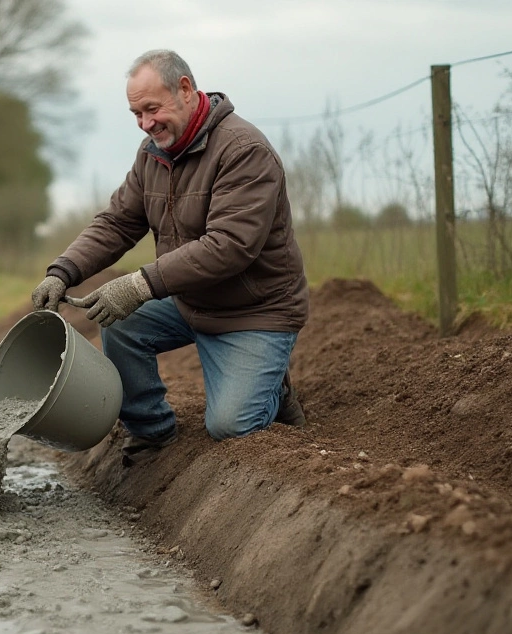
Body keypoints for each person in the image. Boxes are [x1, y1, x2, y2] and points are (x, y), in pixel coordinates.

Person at [32, 49, 308, 463]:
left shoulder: (244, 150)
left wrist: (141, 284)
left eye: (151, 108)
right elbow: (118, 222)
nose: (145, 123)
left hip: (254, 311)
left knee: (230, 426)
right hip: (190, 299)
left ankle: (273, 388)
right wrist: (63, 271)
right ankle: (153, 433)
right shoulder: (152, 153)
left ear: (185, 89)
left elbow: (228, 246)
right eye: (136, 114)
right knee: (120, 322)